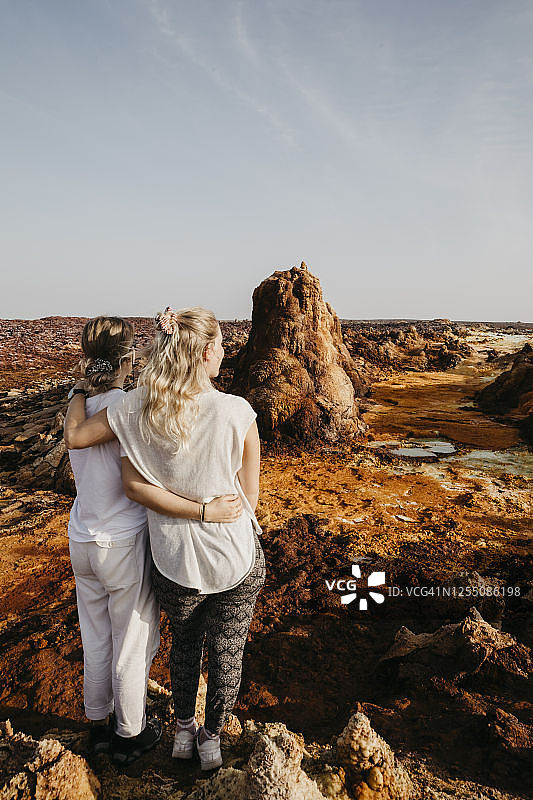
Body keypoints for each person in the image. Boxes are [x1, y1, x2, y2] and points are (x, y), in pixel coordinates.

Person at [64, 306, 265, 772]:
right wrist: (213, 513)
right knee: (220, 651)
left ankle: (171, 731)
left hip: (161, 555)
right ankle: (194, 739)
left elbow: (115, 469)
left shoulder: (135, 408)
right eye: (218, 344)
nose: (223, 351)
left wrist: (79, 386)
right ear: (206, 352)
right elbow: (250, 495)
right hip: (214, 552)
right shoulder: (237, 412)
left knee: (177, 646)